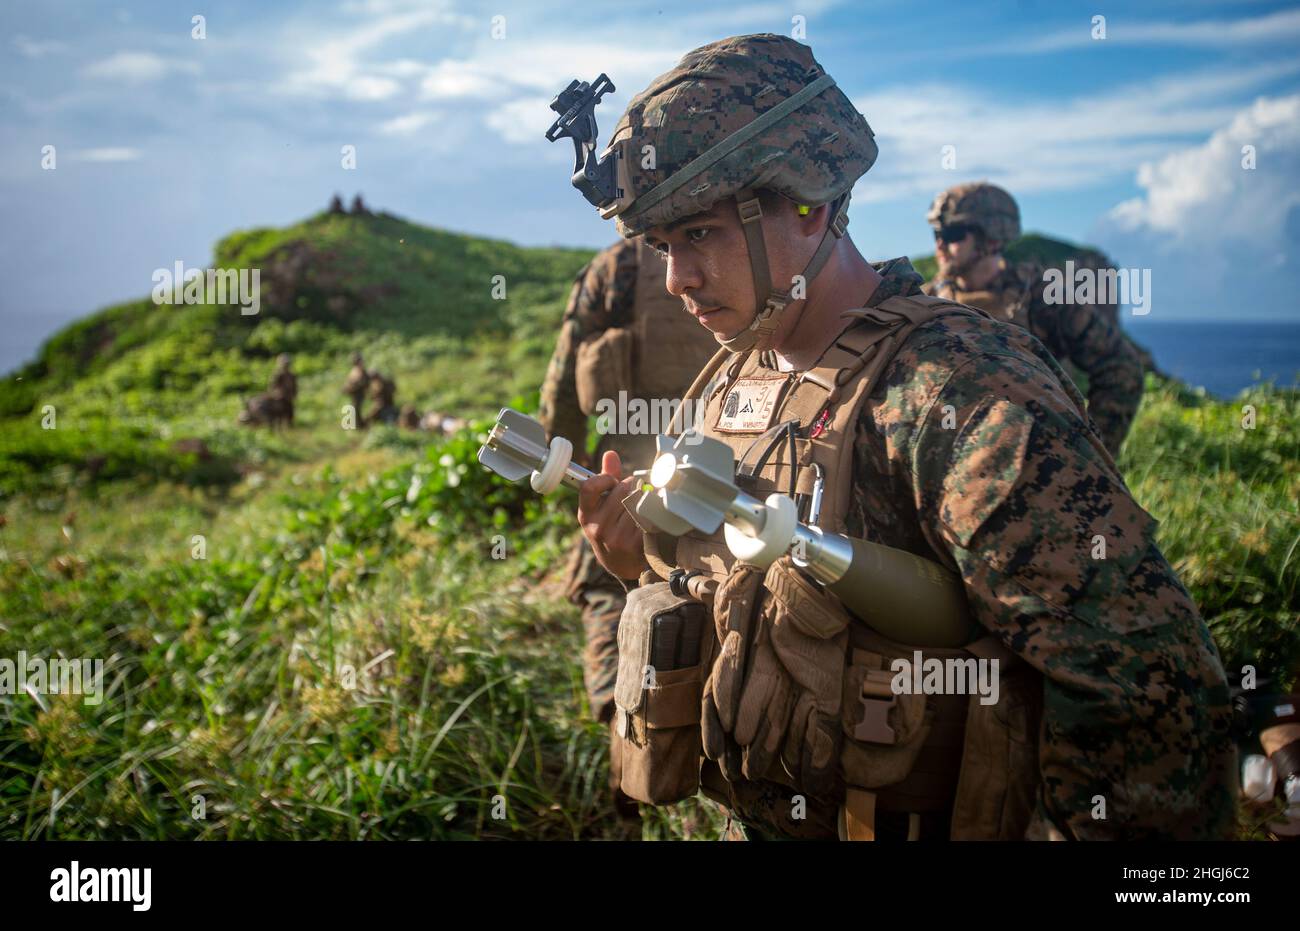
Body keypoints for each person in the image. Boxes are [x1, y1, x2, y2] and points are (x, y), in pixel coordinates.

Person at [566, 33, 1236, 841]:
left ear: (808, 203)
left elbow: (1142, 691)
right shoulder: (729, 382)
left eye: (700, 234)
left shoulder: (958, 385)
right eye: (664, 246)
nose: (677, 278)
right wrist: (644, 560)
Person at [538, 237, 718, 817]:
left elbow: (564, 382)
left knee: (607, 598)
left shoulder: (614, 269)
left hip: (620, 481)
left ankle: (627, 759)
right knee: (709, 599)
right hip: (713, 473)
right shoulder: (726, 246)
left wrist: (556, 455)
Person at [924, 183, 1143, 456]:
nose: (940, 244)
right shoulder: (927, 304)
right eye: (936, 233)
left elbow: (1121, 368)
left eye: (953, 233)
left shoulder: (1042, 298)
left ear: (992, 239)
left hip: (1037, 471)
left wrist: (1089, 453)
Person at [267, 353, 298, 425]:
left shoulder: (291, 374)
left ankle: (289, 426)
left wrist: (294, 394)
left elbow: (295, 386)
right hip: (279, 397)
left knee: (290, 412)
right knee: (278, 412)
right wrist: (275, 394)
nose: (286, 365)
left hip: (289, 397)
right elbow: (272, 386)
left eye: (287, 364)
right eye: (284, 364)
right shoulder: (277, 374)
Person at [343, 352, 370, 425]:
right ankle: (354, 423)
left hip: (359, 392)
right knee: (355, 407)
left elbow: (363, 381)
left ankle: (358, 424)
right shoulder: (355, 370)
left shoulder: (361, 370)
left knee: (356, 408)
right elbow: (351, 381)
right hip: (355, 392)